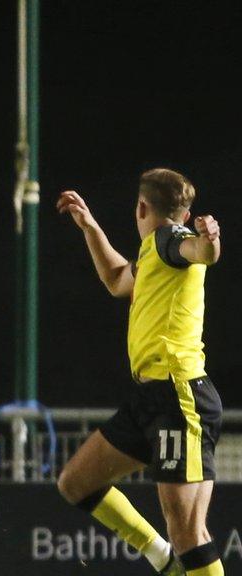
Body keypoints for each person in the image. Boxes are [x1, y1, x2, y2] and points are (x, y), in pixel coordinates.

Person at [56, 168, 223, 576]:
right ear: (183, 212)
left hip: (179, 397)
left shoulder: (171, 240)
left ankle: (174, 556)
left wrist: (210, 243)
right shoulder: (153, 252)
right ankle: (161, 559)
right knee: (75, 483)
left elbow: (199, 254)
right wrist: (90, 227)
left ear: (142, 207)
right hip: (151, 398)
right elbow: (116, 279)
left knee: (190, 533)